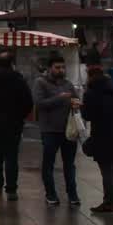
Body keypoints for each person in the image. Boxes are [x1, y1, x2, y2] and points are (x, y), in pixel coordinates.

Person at [0, 50, 32, 199]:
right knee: (12, 156)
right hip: (14, 123)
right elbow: (28, 102)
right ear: (12, 63)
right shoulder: (18, 79)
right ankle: (11, 189)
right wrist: (19, 115)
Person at [81, 59, 113, 213]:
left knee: (106, 170)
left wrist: (81, 107)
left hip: (102, 134)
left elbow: (88, 115)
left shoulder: (91, 92)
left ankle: (109, 202)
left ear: (89, 76)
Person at [33, 54, 80, 207]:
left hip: (68, 131)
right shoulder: (41, 83)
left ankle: (72, 194)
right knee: (48, 164)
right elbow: (39, 104)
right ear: (50, 68)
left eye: (63, 67)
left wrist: (76, 102)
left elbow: (76, 99)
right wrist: (60, 98)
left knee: (69, 164)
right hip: (50, 130)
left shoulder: (68, 84)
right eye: (57, 67)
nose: (61, 70)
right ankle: (51, 194)